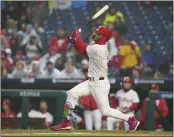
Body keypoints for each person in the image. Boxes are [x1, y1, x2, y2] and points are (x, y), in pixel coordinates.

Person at [51, 26, 140, 132]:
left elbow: (83, 49)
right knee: (71, 93)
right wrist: (75, 40)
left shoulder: (99, 49)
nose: (95, 34)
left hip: (100, 84)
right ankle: (66, 121)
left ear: (103, 36)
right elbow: (82, 49)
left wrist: (75, 37)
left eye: (98, 33)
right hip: (91, 81)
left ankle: (131, 120)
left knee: (106, 111)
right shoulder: (97, 46)